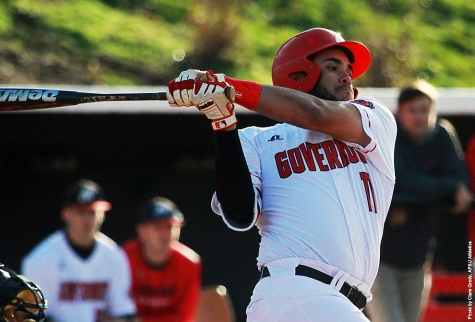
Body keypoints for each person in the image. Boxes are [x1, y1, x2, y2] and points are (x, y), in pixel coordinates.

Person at [166, 27, 397, 321]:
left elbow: (318, 114)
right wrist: (223, 124)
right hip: (293, 289)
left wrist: (228, 86)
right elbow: (240, 215)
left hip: (336, 302)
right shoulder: (257, 141)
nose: (346, 75)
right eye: (332, 67)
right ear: (299, 75)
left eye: (348, 68)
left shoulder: (373, 117)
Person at [366, 80, 473, 322]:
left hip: (418, 256)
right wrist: (445, 189)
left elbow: (460, 180)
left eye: (425, 110)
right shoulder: (390, 136)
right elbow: (402, 181)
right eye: (412, 110)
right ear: (399, 112)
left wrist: (431, 192)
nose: (419, 116)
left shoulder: (442, 134)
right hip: (379, 259)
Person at [21, 179, 138, 322]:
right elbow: (34, 316)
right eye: (81, 212)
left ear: (103, 214)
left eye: (93, 212)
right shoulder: (41, 258)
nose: (88, 219)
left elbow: (123, 312)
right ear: (66, 214)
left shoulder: (115, 256)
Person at [123, 196, 201, 322]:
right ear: (141, 230)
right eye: (157, 227)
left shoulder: (190, 263)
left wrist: (140, 320)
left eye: (170, 227)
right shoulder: (124, 258)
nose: (165, 234)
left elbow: (184, 318)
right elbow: (116, 311)